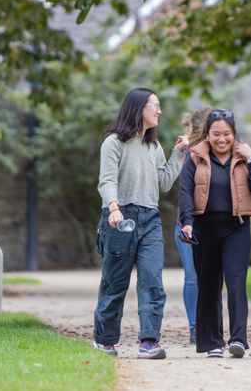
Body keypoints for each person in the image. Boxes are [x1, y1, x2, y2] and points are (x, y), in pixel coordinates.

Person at [92, 87, 188, 359]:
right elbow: (107, 180)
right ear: (138, 108)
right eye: (154, 105)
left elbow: (164, 184)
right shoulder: (114, 142)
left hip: (150, 220)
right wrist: (113, 208)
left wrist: (178, 153)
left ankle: (149, 342)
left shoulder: (153, 145)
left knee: (152, 282)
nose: (159, 111)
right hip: (120, 218)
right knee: (115, 282)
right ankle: (105, 341)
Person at [178, 110, 251, 358]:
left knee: (236, 284)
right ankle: (213, 342)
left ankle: (238, 339)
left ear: (234, 134)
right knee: (208, 285)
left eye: (226, 134)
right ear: (207, 134)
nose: (222, 139)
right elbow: (185, 192)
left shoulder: (243, 156)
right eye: (216, 134)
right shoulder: (194, 157)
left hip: (236, 227)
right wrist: (186, 222)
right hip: (203, 227)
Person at [174, 107, 218, 345]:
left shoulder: (225, 153)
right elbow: (184, 194)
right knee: (192, 278)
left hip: (216, 224)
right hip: (188, 224)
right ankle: (195, 327)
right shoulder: (189, 154)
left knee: (209, 277)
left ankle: (210, 324)